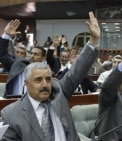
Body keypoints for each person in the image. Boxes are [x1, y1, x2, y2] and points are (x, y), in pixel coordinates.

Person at [1, 11, 100, 141]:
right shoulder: (11, 114)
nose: (45, 84)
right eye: (38, 80)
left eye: (48, 79)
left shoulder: (59, 92)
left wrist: (93, 40)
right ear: (26, 83)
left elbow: (77, 70)